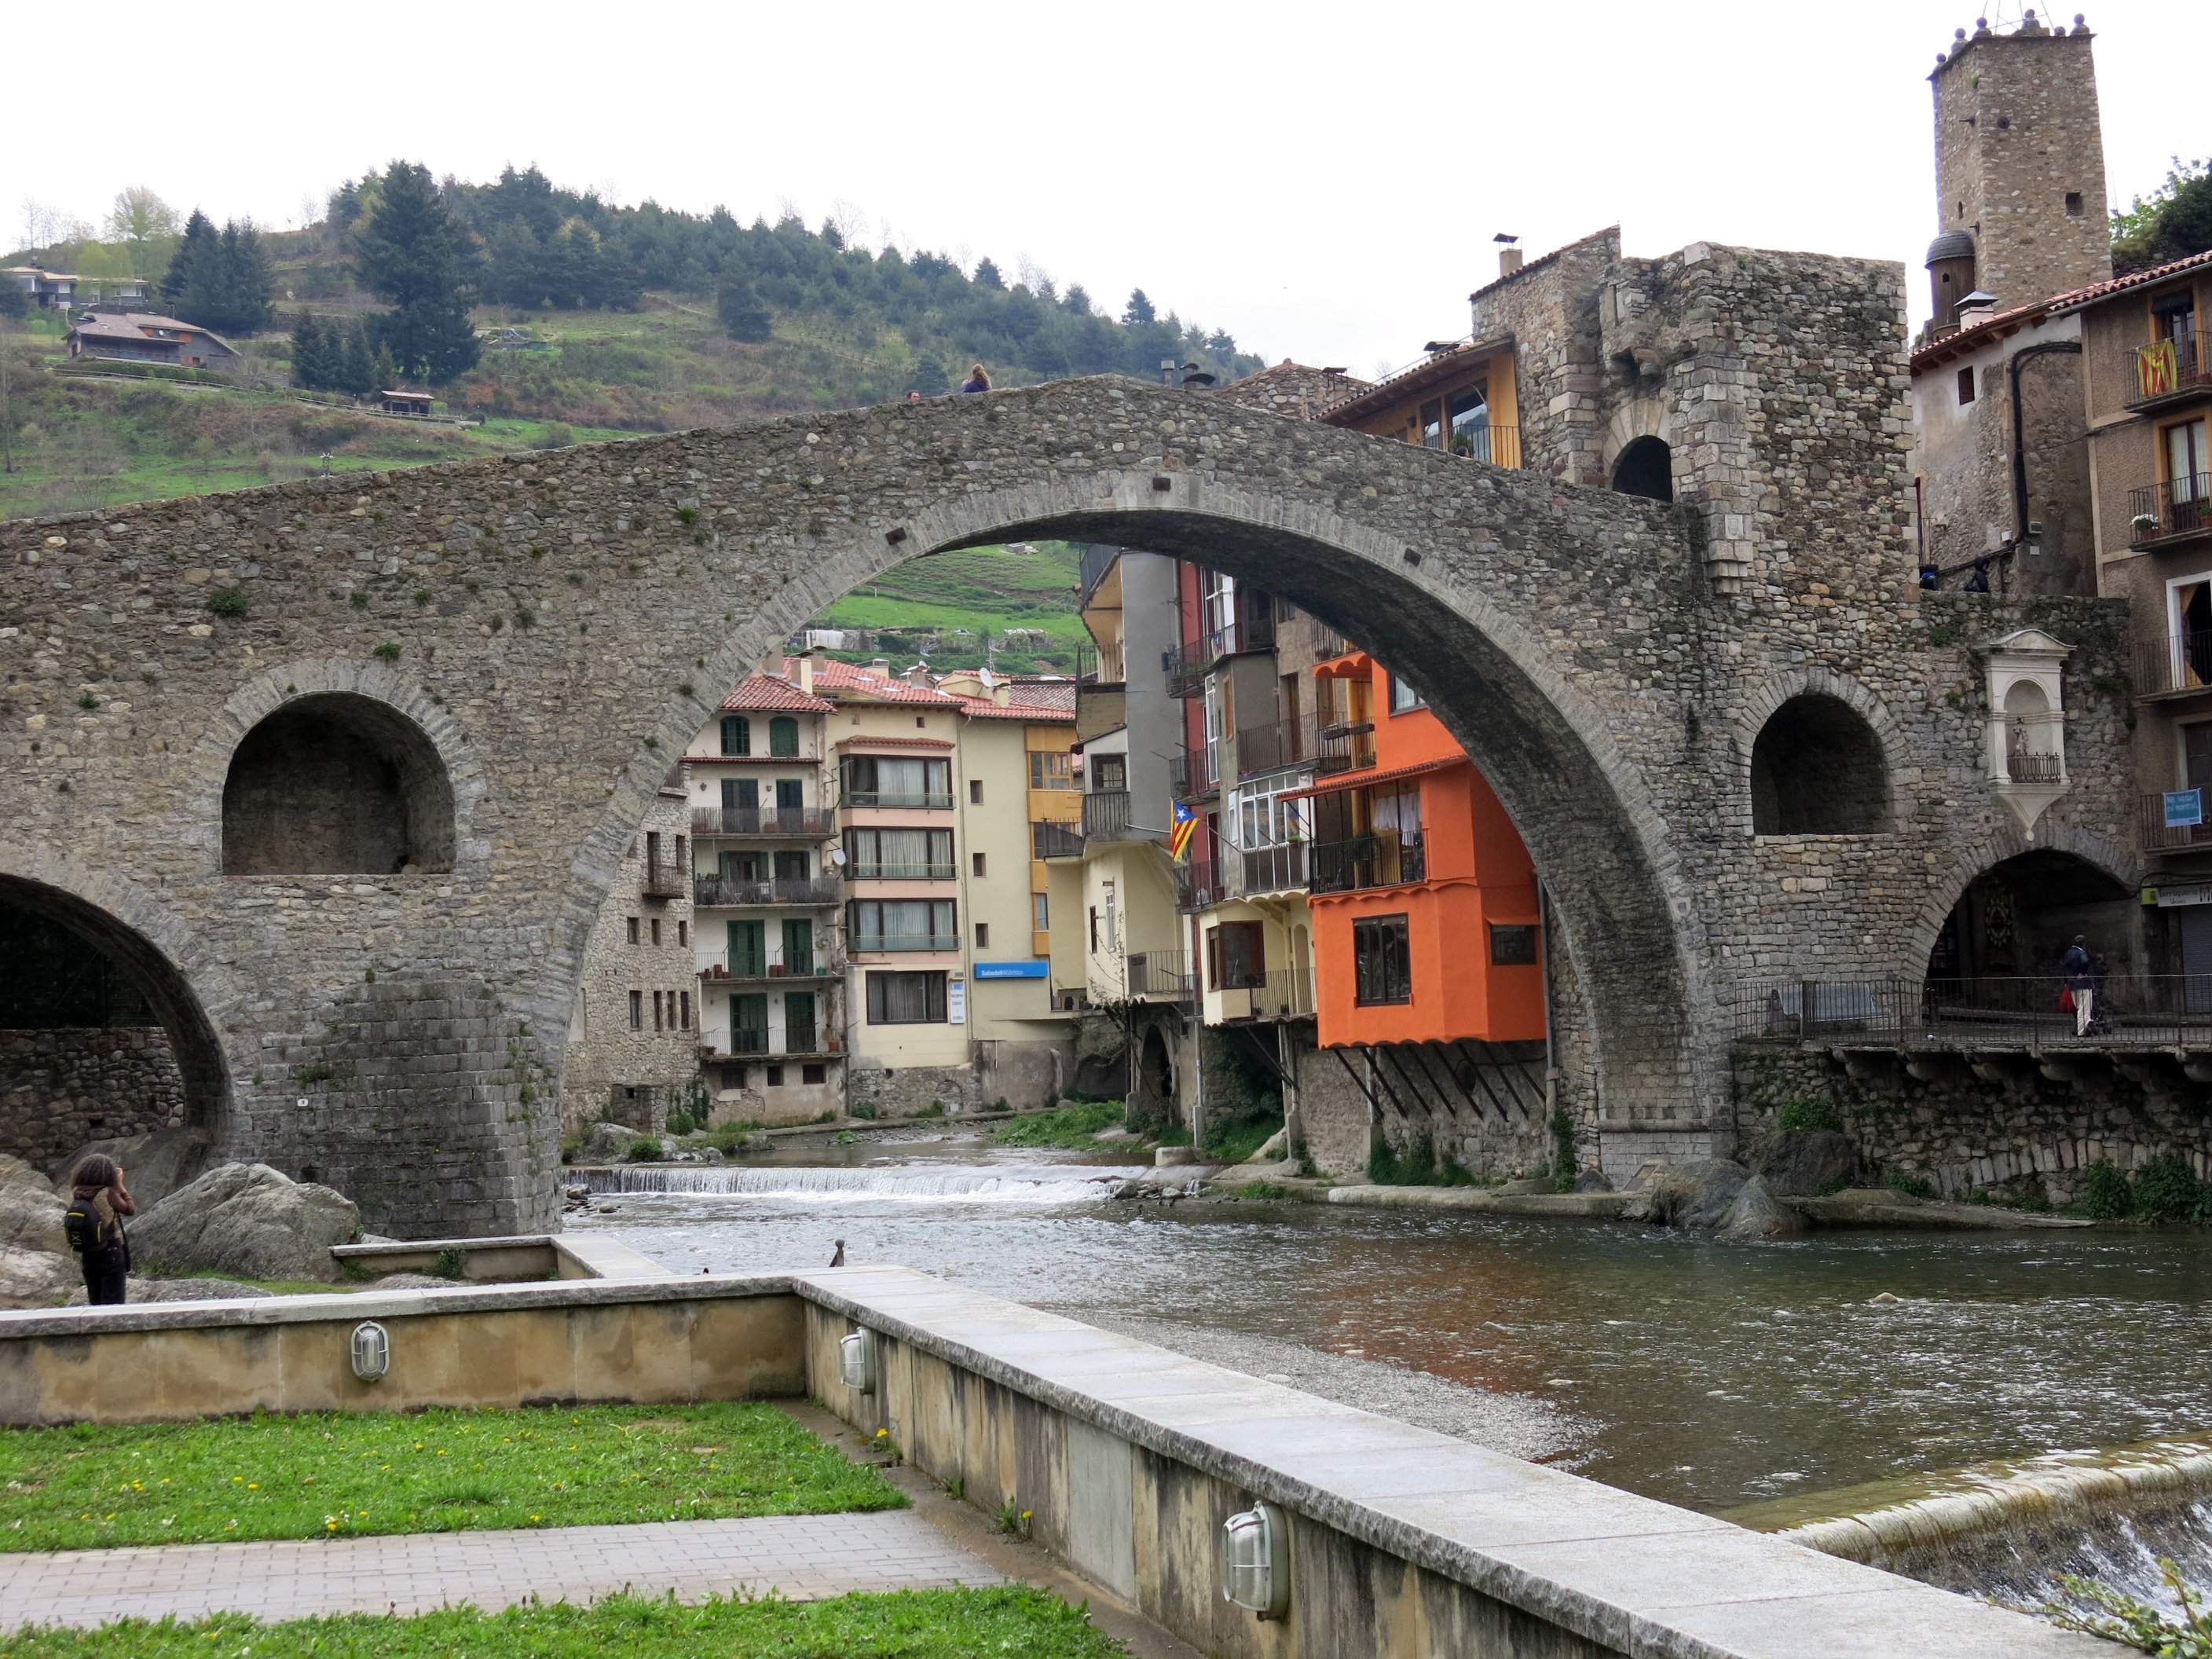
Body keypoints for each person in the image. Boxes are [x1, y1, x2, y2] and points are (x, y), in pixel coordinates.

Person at [62, 1154, 134, 1306]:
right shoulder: (108, 1193)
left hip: (88, 1254)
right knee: (113, 1305)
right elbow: (130, 1209)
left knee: (95, 1303)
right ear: (107, 1174)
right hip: (110, 1252)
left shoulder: (75, 1193)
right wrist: (119, 1185)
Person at [2060, 935, 2095, 1038]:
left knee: (2079, 1008)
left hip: (2072, 984)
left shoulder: (2068, 953)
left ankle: (2084, 1026)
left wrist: (2066, 981)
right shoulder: (2081, 953)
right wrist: (2082, 973)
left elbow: (2065, 969)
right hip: (2083, 984)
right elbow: (2085, 961)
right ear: (2083, 944)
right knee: (2085, 1007)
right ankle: (2082, 1030)